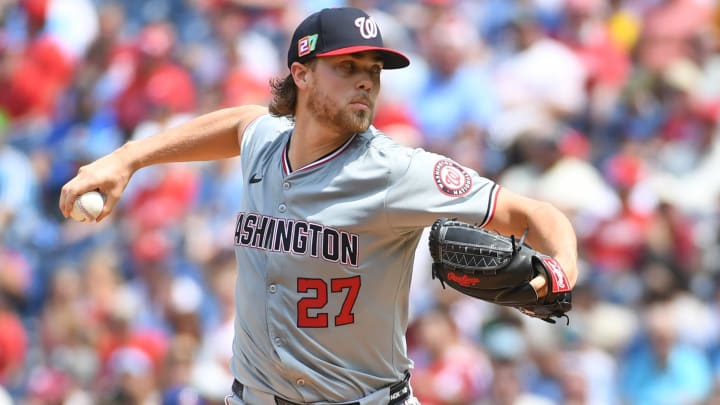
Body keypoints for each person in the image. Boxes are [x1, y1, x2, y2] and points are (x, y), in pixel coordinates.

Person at [59, 7, 579, 405]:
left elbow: (537, 214)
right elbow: (241, 121)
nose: (366, 82)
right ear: (301, 75)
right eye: (347, 67)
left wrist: (562, 265)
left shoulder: (396, 171)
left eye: (373, 71)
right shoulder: (265, 141)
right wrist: (128, 158)